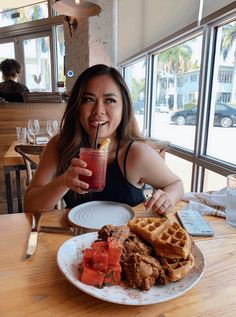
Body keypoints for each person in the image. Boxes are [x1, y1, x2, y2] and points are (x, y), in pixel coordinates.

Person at [24, 64, 184, 215]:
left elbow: (175, 184)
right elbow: (30, 205)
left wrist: (168, 197)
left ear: (124, 107)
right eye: (88, 99)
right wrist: (64, 181)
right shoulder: (60, 145)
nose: (98, 111)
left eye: (110, 100)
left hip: (127, 241)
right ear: (77, 106)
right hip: (76, 240)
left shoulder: (136, 153)